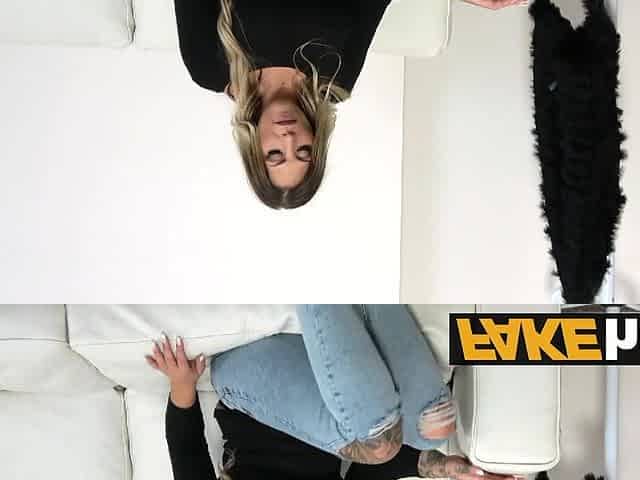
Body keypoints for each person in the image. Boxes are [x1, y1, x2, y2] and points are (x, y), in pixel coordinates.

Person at [174, 0, 528, 209]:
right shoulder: (336, 79)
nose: (289, 138)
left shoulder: (210, 66)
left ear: (255, 150)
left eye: (275, 154)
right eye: (303, 152)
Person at [146, 305, 523, 480]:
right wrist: (445, 469)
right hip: (339, 407)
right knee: (431, 429)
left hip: (248, 387)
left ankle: (316, 276)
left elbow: (186, 450)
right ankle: (369, 287)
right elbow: (367, 476)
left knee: (379, 441)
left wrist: (182, 385)